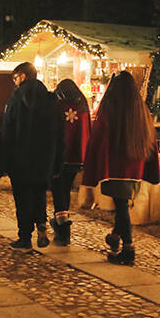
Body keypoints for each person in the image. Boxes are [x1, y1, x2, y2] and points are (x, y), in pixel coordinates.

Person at [82, 71, 160, 265]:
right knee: (122, 205)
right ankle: (116, 236)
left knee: (122, 206)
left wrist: (95, 162)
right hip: (135, 167)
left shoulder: (111, 109)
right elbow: (151, 137)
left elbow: (99, 135)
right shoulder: (140, 110)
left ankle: (128, 249)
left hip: (116, 167)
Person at [0, 62, 64, 250]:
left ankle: (24, 237)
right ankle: (41, 223)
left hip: (20, 159)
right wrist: (57, 163)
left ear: (23, 76)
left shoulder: (15, 100)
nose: (14, 81)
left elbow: (6, 133)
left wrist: (2, 162)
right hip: (45, 159)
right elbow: (60, 134)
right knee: (39, 192)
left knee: (23, 198)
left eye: (15, 77)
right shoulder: (51, 100)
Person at [51, 79, 91, 245]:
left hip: (58, 157)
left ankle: (62, 229)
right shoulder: (82, 105)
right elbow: (87, 130)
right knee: (65, 190)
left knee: (57, 191)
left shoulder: (56, 105)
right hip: (75, 157)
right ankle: (60, 223)